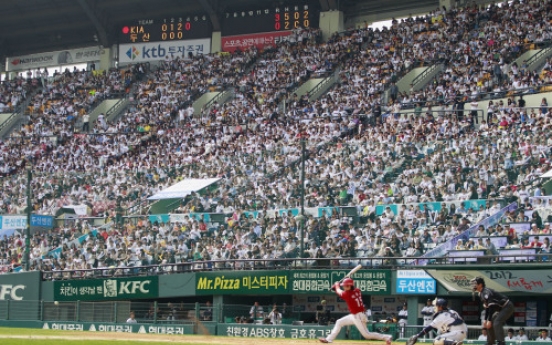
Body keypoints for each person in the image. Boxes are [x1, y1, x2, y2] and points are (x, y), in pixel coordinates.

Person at [318, 278, 392, 344]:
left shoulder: (347, 294)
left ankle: (386, 337)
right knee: (339, 322)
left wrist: (336, 285)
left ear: (350, 286)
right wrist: (338, 287)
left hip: (358, 316)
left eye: (346, 286)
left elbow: (339, 291)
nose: (344, 287)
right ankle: (329, 339)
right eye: (344, 285)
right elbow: (342, 291)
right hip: (355, 315)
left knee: (367, 335)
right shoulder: (357, 290)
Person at [470, 277, 514, 345]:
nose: (473, 285)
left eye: (475, 284)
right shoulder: (481, 293)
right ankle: (490, 342)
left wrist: (489, 320)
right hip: (501, 309)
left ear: (480, 284)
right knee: (489, 324)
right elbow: (487, 307)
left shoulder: (486, 292)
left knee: (496, 322)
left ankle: (501, 342)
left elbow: (491, 307)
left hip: (507, 306)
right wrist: (485, 320)